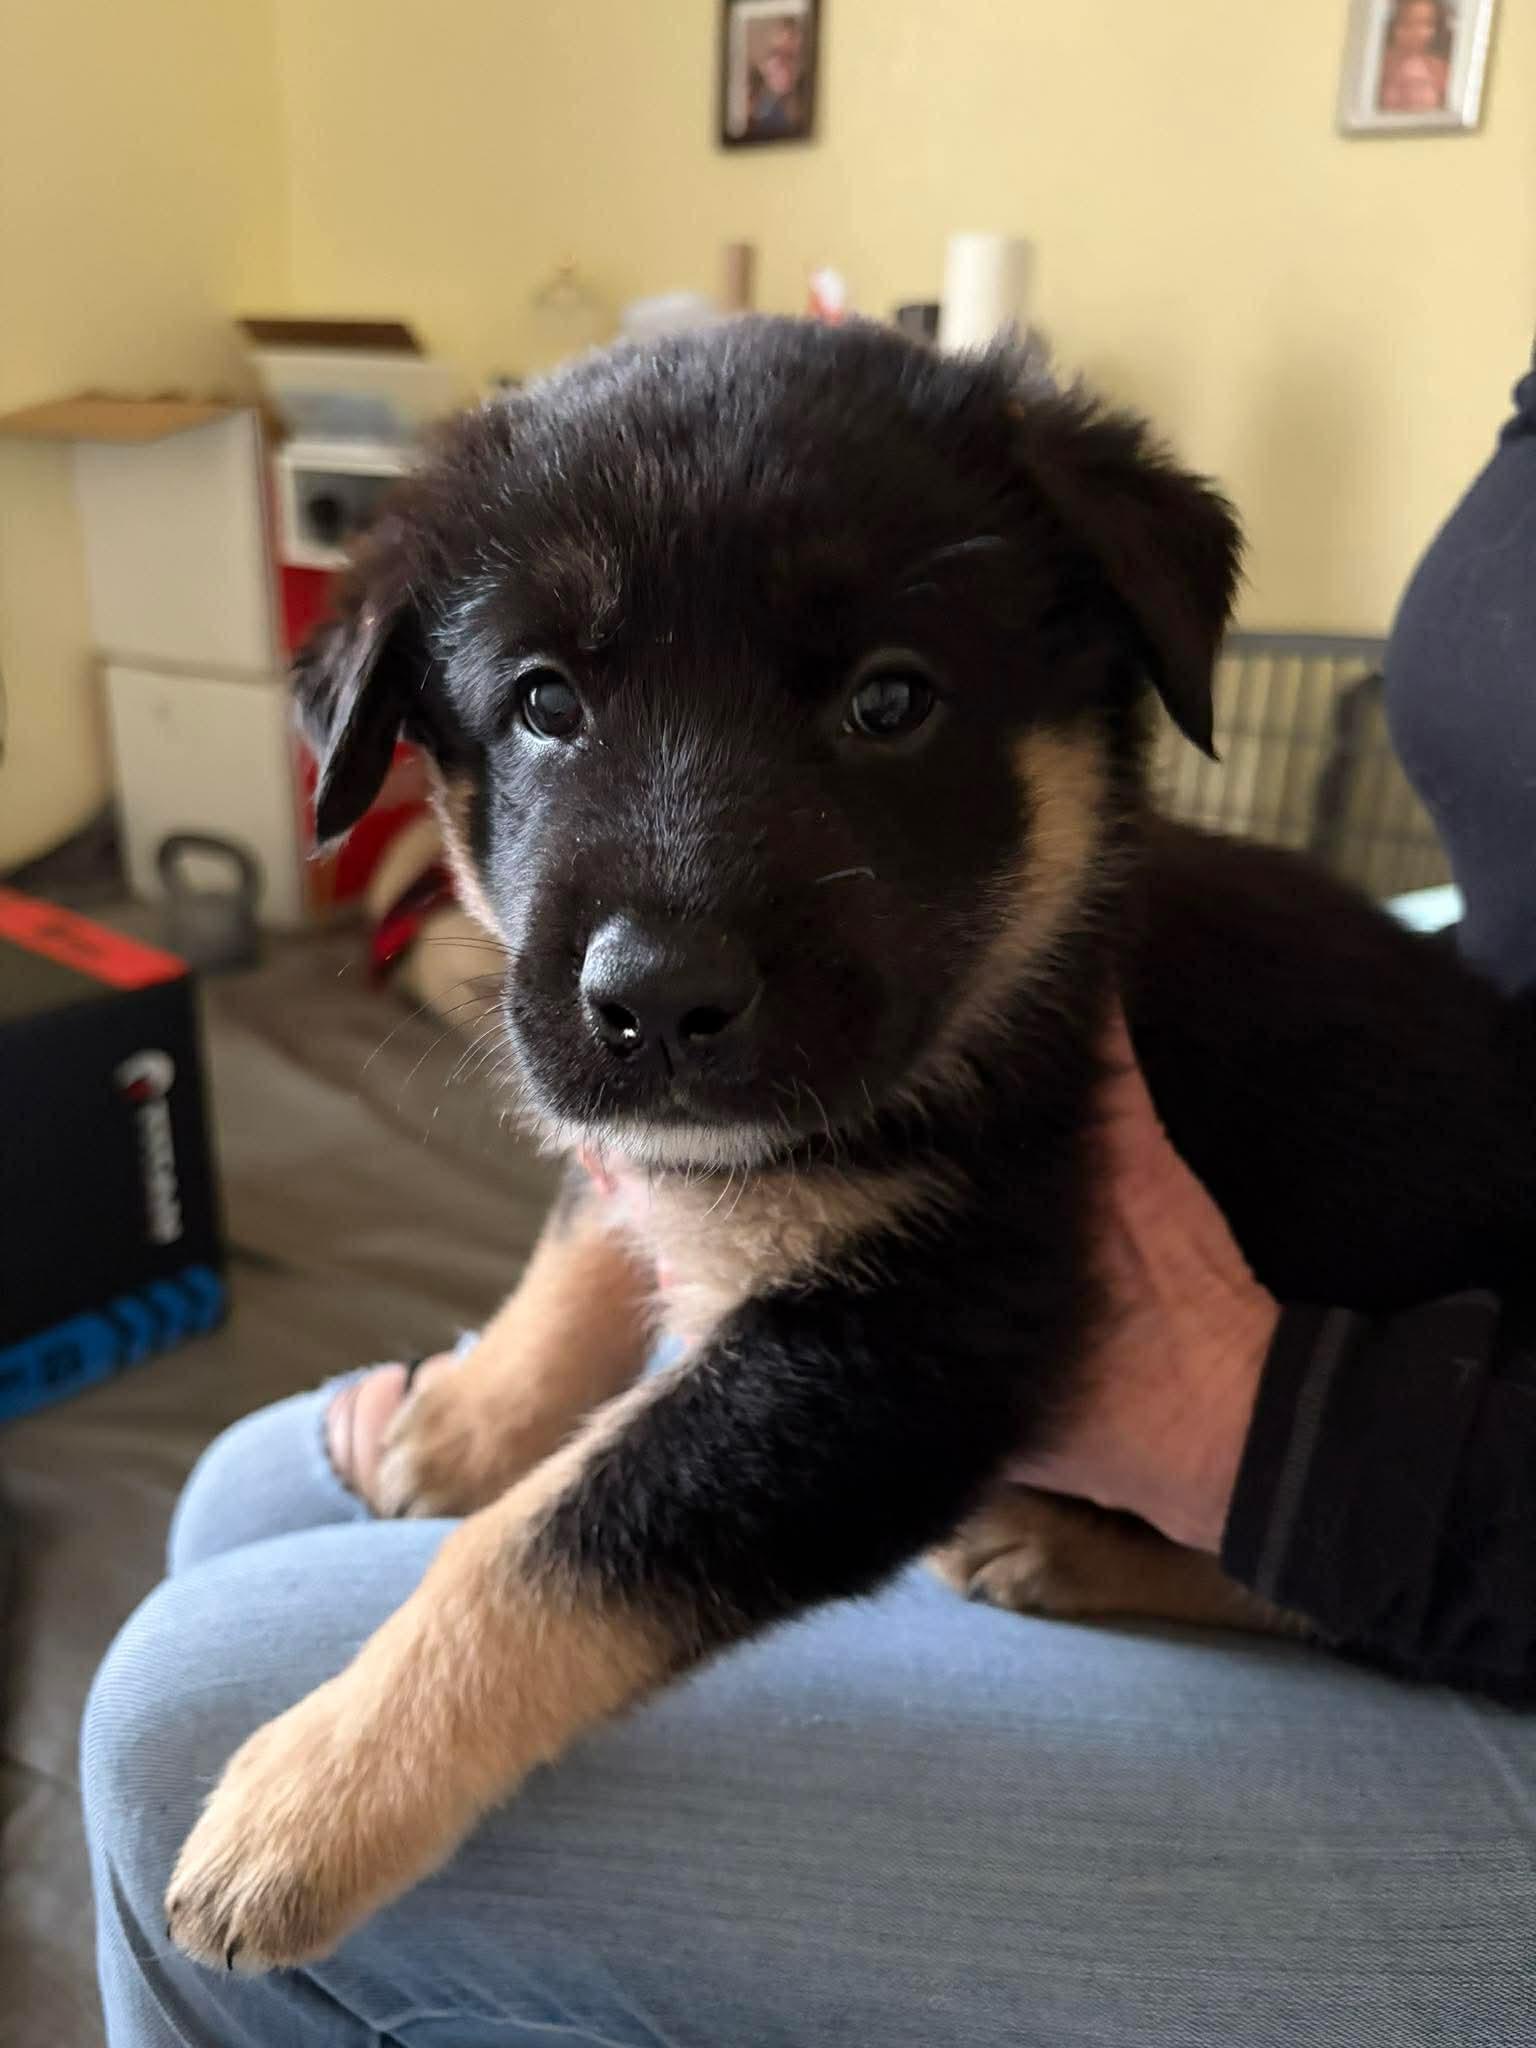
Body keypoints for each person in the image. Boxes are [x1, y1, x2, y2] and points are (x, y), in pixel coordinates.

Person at [83, 355, 1536, 2046]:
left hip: (1445, 1483)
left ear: (1100, 692)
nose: (670, 922)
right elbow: (661, 1185)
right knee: (250, 1501)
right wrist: (519, 1384)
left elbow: (864, 1386)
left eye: (887, 700)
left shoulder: (1030, 1026)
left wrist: (1257, 1435)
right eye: (547, 705)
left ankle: (1227, 1577)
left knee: (199, 1730)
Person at [1376, 0, 1453, 114]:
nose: (1416, 32)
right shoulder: (1377, 67)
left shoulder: (1443, 70)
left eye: (1426, 24)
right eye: (1407, 23)